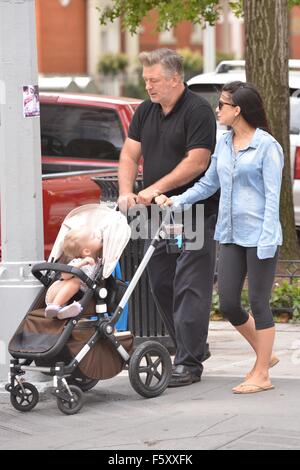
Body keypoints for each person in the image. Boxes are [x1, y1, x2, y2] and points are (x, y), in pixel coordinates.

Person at [155, 80, 283, 394]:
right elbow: (209, 184)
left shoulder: (267, 146)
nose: (217, 109)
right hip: (230, 233)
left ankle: (262, 371)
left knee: (258, 302)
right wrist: (178, 199)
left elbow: (272, 197)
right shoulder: (224, 144)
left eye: (223, 105)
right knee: (228, 303)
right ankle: (266, 353)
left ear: (238, 110)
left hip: (259, 235)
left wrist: (267, 240)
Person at [118, 48, 219, 387]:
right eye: (146, 80)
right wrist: (125, 191)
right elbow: (131, 153)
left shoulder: (198, 111)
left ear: (176, 79)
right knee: (160, 280)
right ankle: (192, 346)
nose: (148, 86)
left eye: (154, 80)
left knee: (190, 284)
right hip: (153, 212)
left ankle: (189, 364)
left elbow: (198, 162)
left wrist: (155, 188)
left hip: (191, 210)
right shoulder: (145, 111)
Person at [45, 227, 103, 320]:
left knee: (77, 286)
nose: (99, 237)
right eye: (94, 237)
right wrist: (82, 263)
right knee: (75, 282)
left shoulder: (99, 261)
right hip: (57, 293)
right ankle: (54, 307)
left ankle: (62, 313)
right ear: (86, 251)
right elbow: (64, 275)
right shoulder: (78, 261)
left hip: (75, 297)